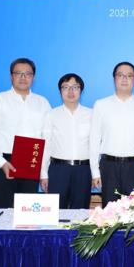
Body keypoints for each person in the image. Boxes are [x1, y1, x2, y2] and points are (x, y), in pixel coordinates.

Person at [0, 57, 51, 208]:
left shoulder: (42, 103)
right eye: (18, 73)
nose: (23, 77)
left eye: (28, 74)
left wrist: (43, 172)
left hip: (30, 161)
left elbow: (46, 139)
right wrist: (1, 162)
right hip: (2, 162)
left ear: (33, 77)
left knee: (26, 213)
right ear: (11, 76)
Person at [90, 62, 134, 207]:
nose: (124, 79)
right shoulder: (101, 105)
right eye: (120, 75)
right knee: (110, 213)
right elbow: (94, 140)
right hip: (108, 167)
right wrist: (95, 172)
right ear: (114, 79)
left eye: (129, 76)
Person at [40, 73, 98, 209]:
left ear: (81, 90)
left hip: (83, 170)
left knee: (80, 212)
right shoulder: (51, 115)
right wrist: (43, 174)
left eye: (75, 87)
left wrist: (95, 173)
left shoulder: (92, 114)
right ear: (60, 91)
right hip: (58, 170)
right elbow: (45, 145)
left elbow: (96, 146)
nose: (71, 91)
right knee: (55, 212)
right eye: (66, 87)